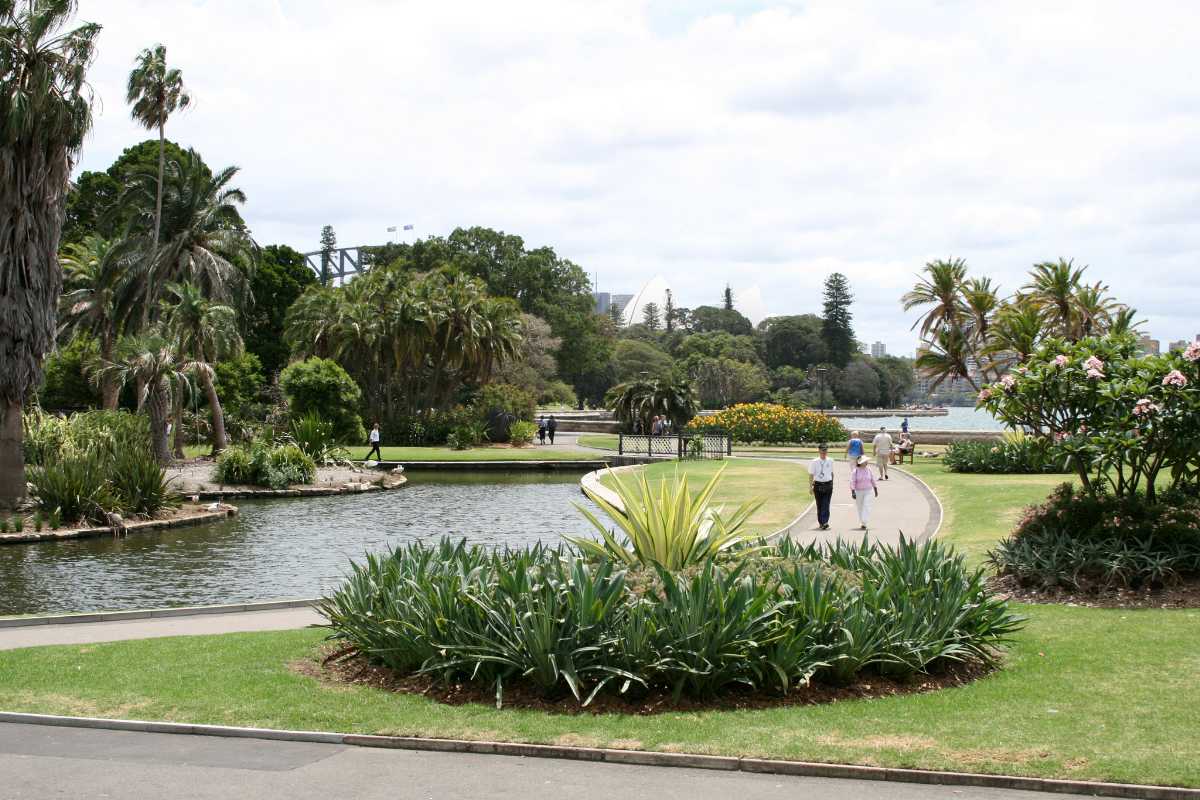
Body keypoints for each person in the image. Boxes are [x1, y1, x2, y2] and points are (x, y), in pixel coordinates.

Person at [808, 443, 835, 531]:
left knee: (826, 504)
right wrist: (810, 486)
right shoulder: (814, 461)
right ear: (819, 451)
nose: (824, 452)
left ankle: (825, 522)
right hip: (818, 485)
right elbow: (811, 475)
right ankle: (821, 522)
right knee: (819, 505)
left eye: (825, 450)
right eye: (822, 450)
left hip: (828, 484)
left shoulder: (830, 460)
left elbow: (831, 473)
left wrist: (832, 484)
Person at [849, 454, 879, 530]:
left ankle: (865, 520)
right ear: (860, 463)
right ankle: (863, 523)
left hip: (868, 490)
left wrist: (875, 489)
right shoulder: (855, 471)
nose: (866, 462)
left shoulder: (869, 469)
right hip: (858, 491)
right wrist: (853, 491)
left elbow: (872, 479)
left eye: (866, 461)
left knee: (867, 505)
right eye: (865, 461)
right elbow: (852, 481)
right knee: (860, 507)